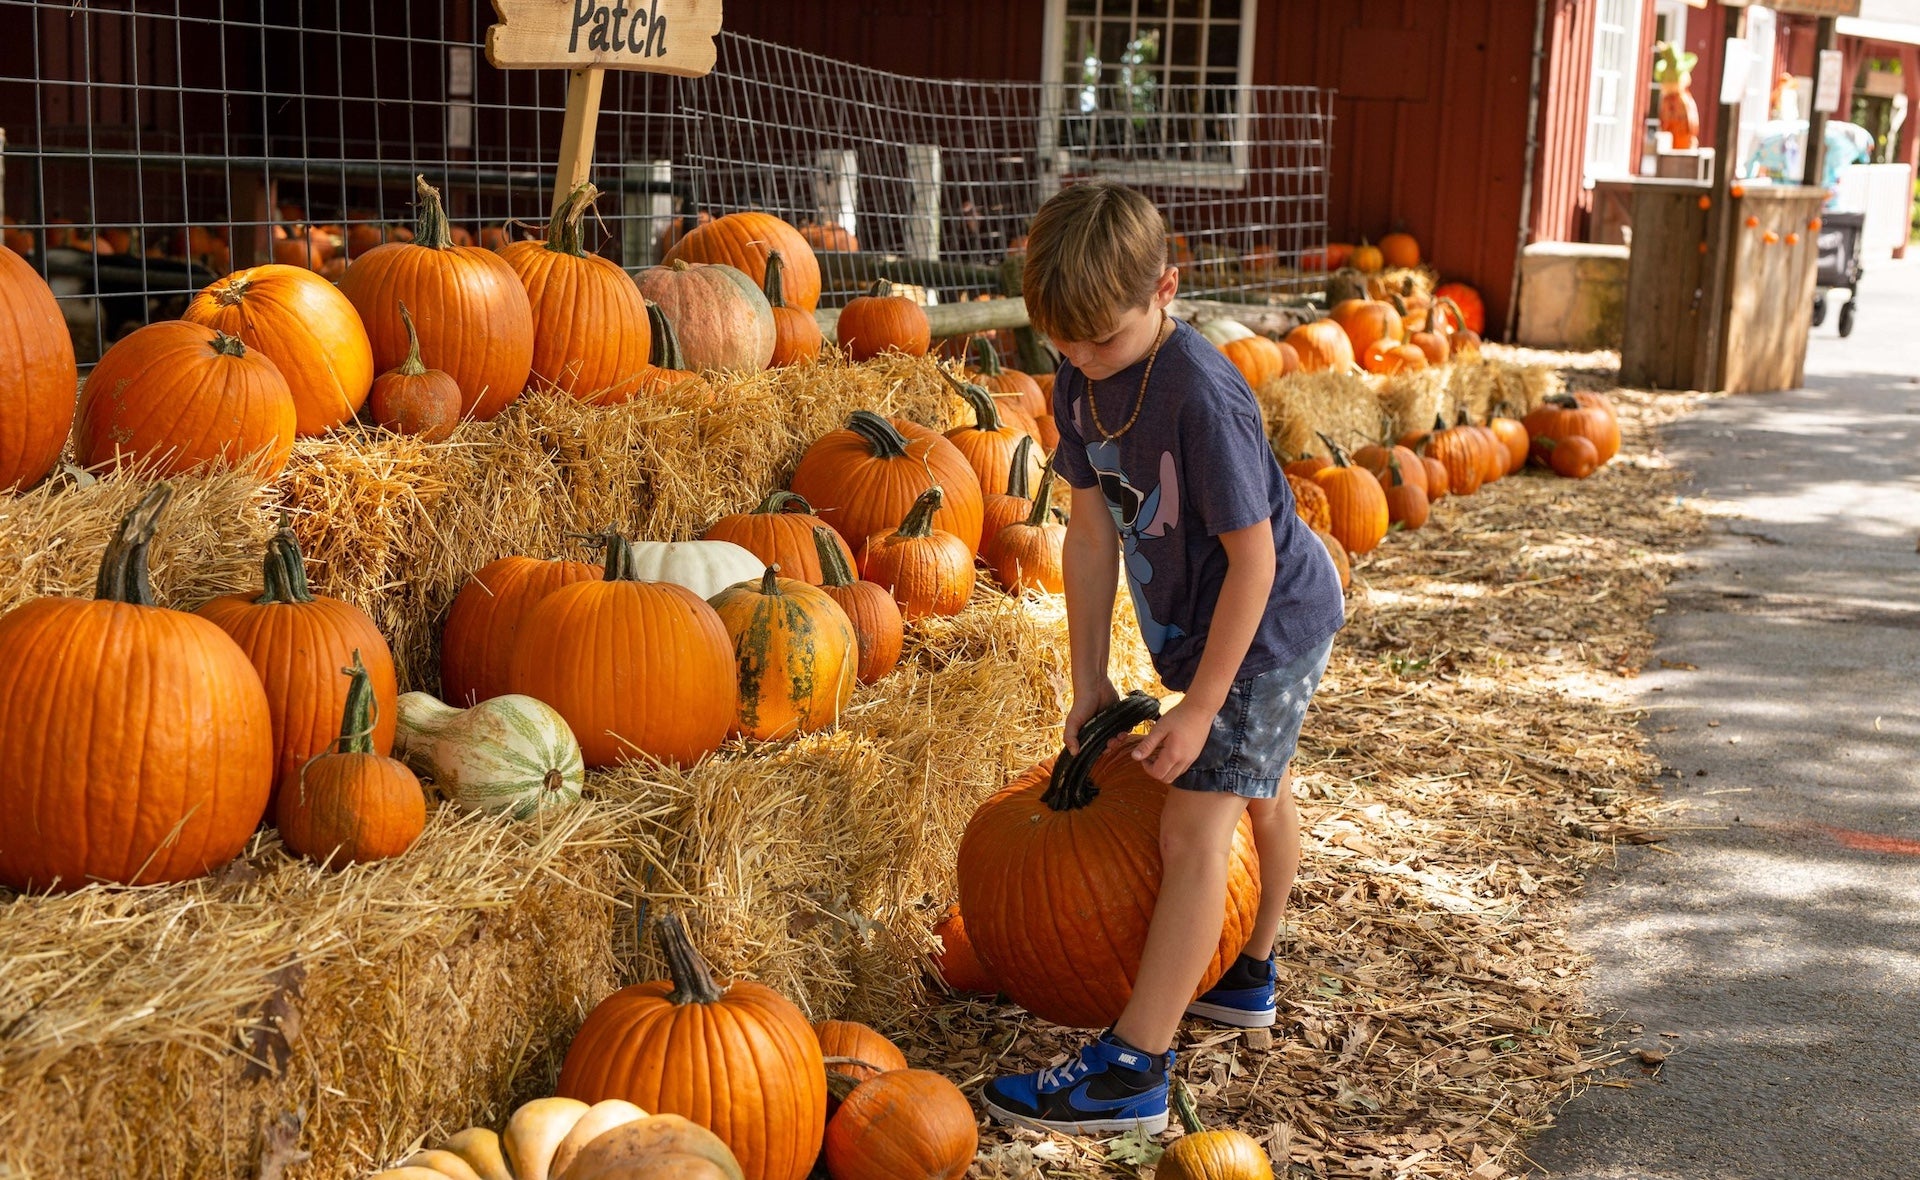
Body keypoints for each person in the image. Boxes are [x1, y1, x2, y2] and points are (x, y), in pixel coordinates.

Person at [982, 181, 1346, 1134]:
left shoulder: (1201, 395)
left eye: (1100, 338)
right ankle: (1248, 975)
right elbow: (1091, 531)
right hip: (1210, 626)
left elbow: (1254, 559)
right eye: (1060, 342)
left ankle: (1135, 1067)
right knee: (1259, 787)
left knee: (1194, 828)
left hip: (1266, 625)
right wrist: (1090, 675)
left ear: (1165, 290)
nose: (1079, 359)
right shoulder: (1080, 374)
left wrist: (1197, 708)